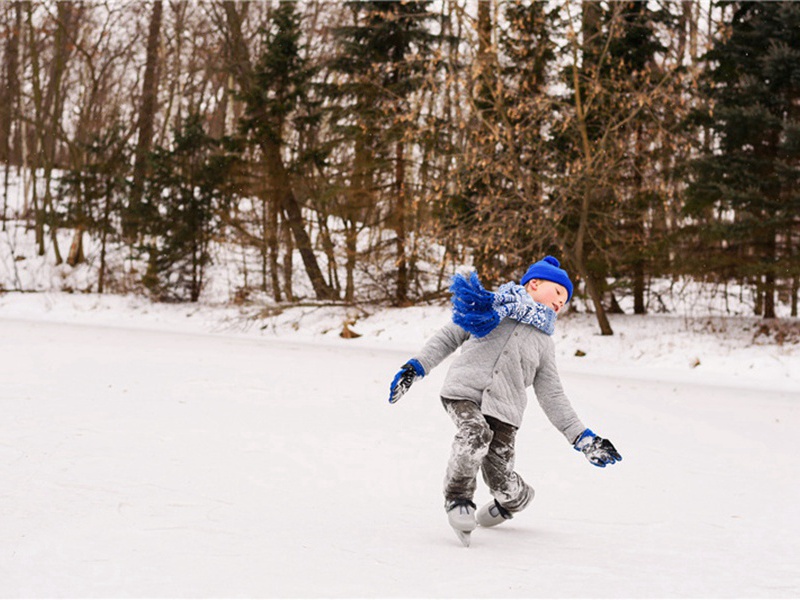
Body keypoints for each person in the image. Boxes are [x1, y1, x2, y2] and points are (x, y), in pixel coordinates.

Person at [388, 256, 621, 545]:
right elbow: (449, 336)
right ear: (534, 284)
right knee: (475, 434)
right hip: (464, 392)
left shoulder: (544, 343)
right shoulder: (492, 306)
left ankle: (516, 499)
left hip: (506, 412)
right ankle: (458, 498)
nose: (562, 302)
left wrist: (583, 438)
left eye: (567, 300)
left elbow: (552, 394)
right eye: (559, 292)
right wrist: (416, 367)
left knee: (501, 478)